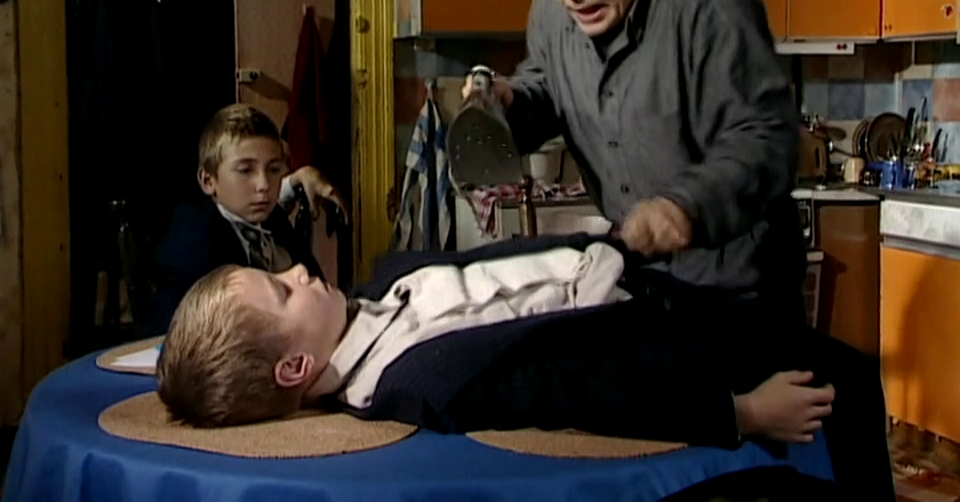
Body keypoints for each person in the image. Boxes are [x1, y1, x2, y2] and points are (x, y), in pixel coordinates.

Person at [156, 234, 895, 500]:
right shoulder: (416, 381)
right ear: (294, 368)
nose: (295, 270)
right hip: (660, 336)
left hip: (641, 275)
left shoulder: (380, 287)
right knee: (851, 385)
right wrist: (739, 411)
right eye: (284, 292)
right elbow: (579, 393)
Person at [462, 0, 807, 323]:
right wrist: (512, 102)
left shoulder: (708, 3)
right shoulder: (551, 10)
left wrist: (684, 208)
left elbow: (767, 138)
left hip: (741, 295)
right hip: (643, 282)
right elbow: (548, 85)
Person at [146, 103, 348, 336]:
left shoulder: (269, 217)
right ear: (208, 181)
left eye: (274, 169)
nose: (263, 185)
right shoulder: (194, 246)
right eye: (245, 171)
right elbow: (173, 331)